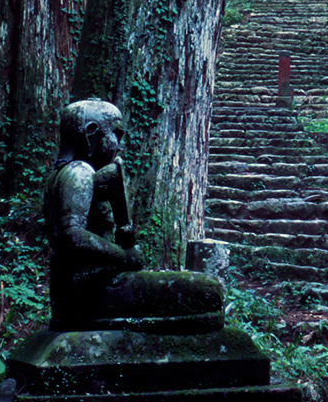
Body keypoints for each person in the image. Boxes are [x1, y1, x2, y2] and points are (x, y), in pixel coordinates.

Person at [43, 100, 223, 333]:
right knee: (208, 291)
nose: (119, 144)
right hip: (93, 291)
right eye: (116, 133)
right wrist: (124, 257)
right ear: (90, 134)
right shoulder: (79, 171)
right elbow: (72, 235)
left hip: (75, 294)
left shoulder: (60, 175)